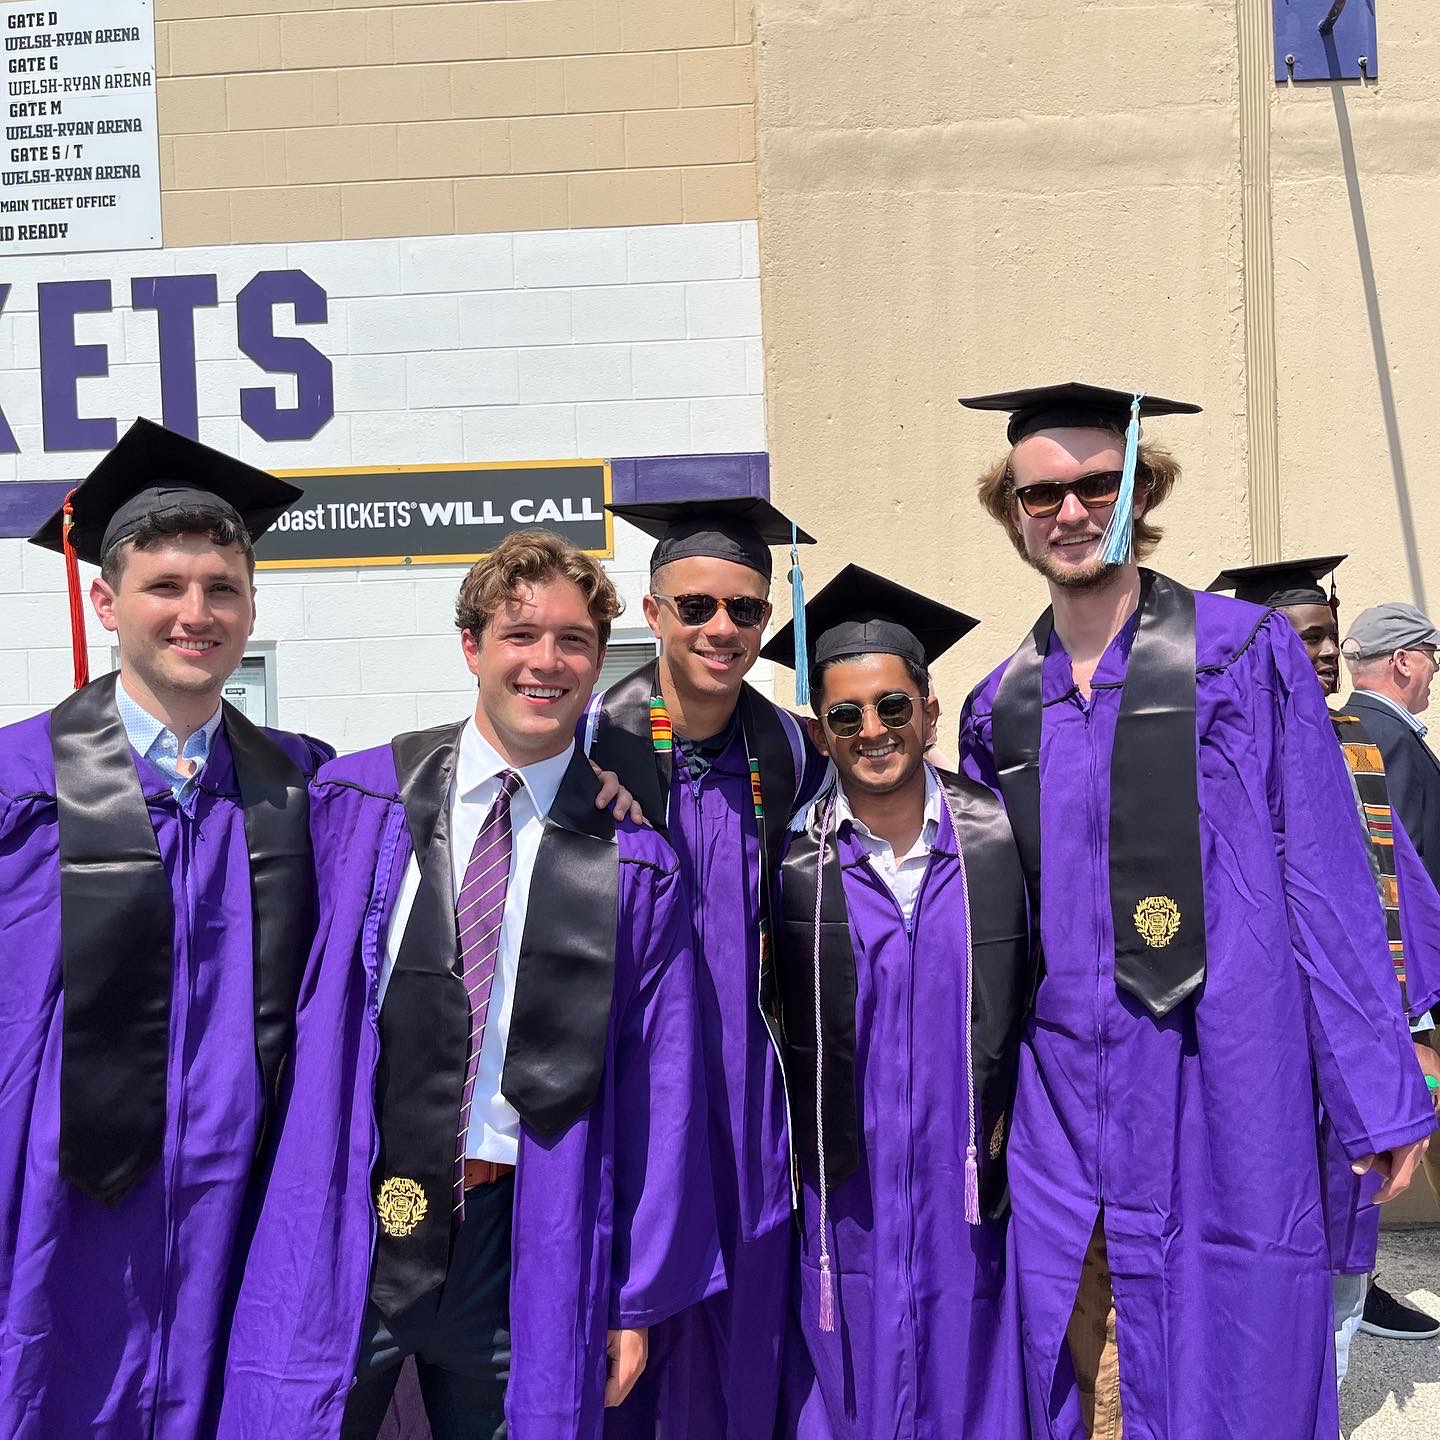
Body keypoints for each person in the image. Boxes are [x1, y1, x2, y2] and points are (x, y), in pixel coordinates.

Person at [956, 381, 1434, 1440]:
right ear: (1012, 513)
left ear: (1142, 490)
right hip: (1061, 1094)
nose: (1071, 512)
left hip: (1228, 1074)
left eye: (1098, 485)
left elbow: (1325, 873)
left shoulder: (1244, 654)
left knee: (1241, 1343)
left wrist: (1378, 1087)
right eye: (1041, 494)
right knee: (1077, 1365)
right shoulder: (999, 706)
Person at [217, 529, 721, 1440]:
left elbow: (664, 1086)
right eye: (519, 635)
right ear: (471, 648)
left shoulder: (633, 861)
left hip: (520, 1236)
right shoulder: (356, 799)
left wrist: (633, 1298)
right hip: (346, 1217)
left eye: (573, 641)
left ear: (599, 660)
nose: (546, 662)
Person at [0, 419, 330, 1439]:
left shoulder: (307, 785)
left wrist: (598, 781)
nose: (197, 613)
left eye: (222, 588)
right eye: (166, 586)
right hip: (51, 1210)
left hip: (236, 1207)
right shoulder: (17, 786)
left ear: (251, 606)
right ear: (106, 602)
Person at [760, 565, 1035, 1438]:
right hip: (848, 1201)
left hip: (976, 1188)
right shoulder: (787, 867)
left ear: (930, 709)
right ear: (820, 731)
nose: (873, 731)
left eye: (892, 707)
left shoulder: (1002, 842)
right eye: (845, 716)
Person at [586, 496, 828, 1440]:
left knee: (747, 1330)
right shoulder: (587, 746)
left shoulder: (793, 753)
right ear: (653, 613)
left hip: (751, 1092)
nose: (721, 628)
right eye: (695, 607)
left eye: (744, 609)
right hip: (630, 1086)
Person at [1211, 556, 1440, 1371]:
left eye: (1330, 639)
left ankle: (1325, 1390)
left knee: (1345, 1217)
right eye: (1303, 638)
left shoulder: (1355, 748)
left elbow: (1396, 901)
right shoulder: (1215, 749)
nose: (1323, 654)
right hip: (1254, 1037)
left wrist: (1412, 1027)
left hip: (1348, 1030)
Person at [1341, 602, 1440, 884]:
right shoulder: (1392, 738)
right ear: (1402, 661)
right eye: (1431, 654)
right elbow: (1401, 862)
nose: (1435, 667)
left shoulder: (1350, 725)